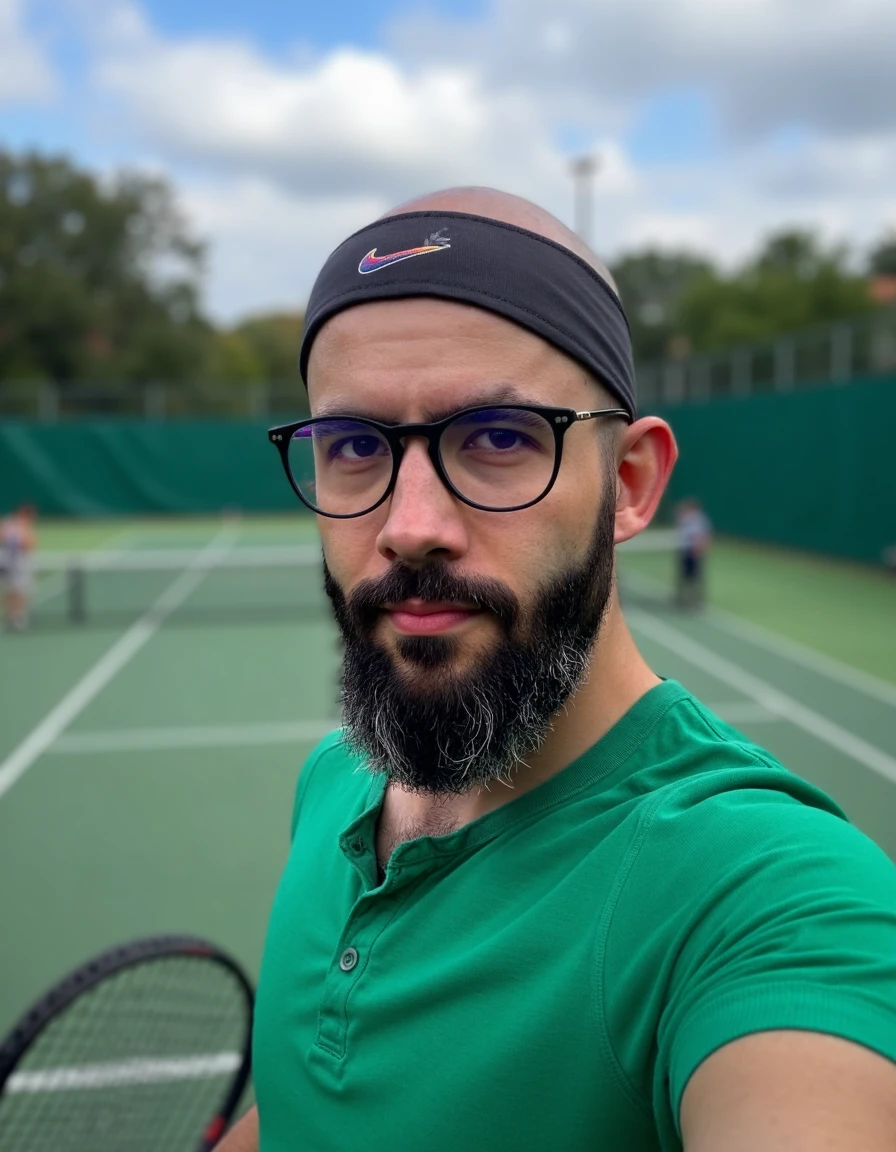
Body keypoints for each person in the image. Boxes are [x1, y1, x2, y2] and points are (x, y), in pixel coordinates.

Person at [217, 188, 896, 1152]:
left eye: (498, 439)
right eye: (354, 447)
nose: (410, 526)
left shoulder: (763, 896)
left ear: (629, 484)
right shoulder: (333, 780)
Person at [0, 503, 37, 631]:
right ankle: (16, 616)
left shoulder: (9, 524)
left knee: (13, 590)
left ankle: (14, 615)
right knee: (16, 591)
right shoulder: (15, 525)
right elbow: (30, 544)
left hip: (14, 563)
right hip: (15, 564)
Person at [675, 497, 711, 609]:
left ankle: (697, 601)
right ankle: (682, 599)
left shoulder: (699, 519)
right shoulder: (685, 518)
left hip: (693, 551)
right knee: (684, 576)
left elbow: (702, 535)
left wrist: (698, 549)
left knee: (695, 577)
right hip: (685, 550)